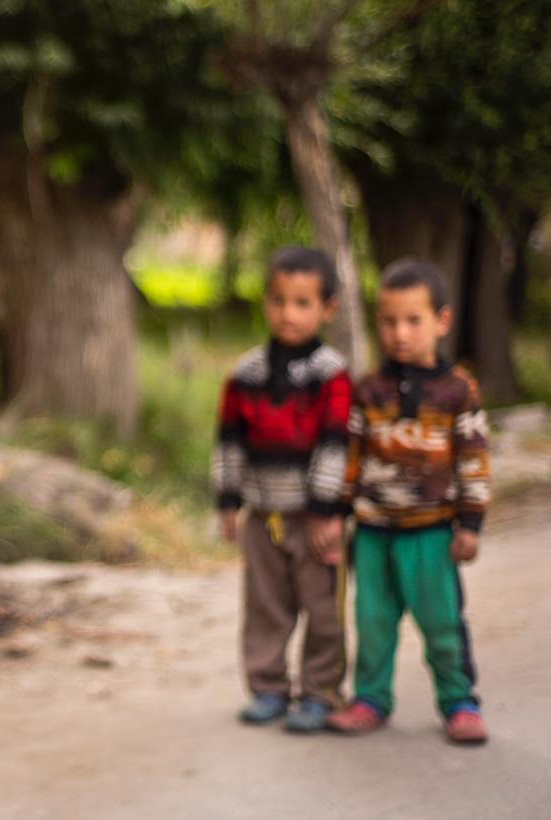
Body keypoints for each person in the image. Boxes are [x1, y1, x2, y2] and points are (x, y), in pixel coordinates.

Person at [324, 257, 490, 744]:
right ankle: (370, 699)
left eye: (413, 320)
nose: (400, 334)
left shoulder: (458, 390)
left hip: (431, 533)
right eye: (389, 321)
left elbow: (473, 460)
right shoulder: (369, 389)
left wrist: (470, 525)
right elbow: (351, 457)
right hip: (373, 533)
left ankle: (459, 701)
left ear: (442, 321)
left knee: (442, 624)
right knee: (372, 622)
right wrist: (336, 514)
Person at [212, 246, 352, 732]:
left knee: (323, 609)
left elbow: (336, 445)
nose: (288, 313)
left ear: (327, 309)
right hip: (262, 514)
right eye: (278, 300)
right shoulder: (245, 374)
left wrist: (326, 511)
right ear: (265, 302)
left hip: (313, 518)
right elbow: (229, 441)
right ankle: (268, 686)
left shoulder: (331, 374)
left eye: (302, 303)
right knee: (265, 605)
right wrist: (228, 500)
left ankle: (320, 691)